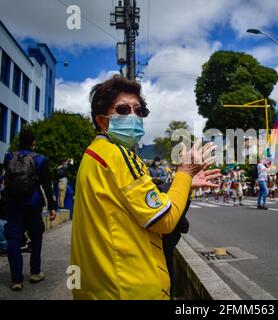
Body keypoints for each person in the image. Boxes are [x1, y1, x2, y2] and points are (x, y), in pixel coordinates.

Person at [70, 75, 219, 300]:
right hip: (130, 289)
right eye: (122, 110)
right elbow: (164, 221)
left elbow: (134, 207)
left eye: (139, 111)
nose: (133, 116)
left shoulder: (94, 155)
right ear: (102, 121)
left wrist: (185, 183)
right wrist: (184, 173)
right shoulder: (117, 156)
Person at [3, 129, 57, 291]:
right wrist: (52, 207)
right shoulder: (40, 159)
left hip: (12, 204)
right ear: (34, 142)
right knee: (36, 237)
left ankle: (16, 279)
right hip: (32, 204)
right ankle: (35, 272)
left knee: (13, 239)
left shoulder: (9, 157)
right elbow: (47, 185)